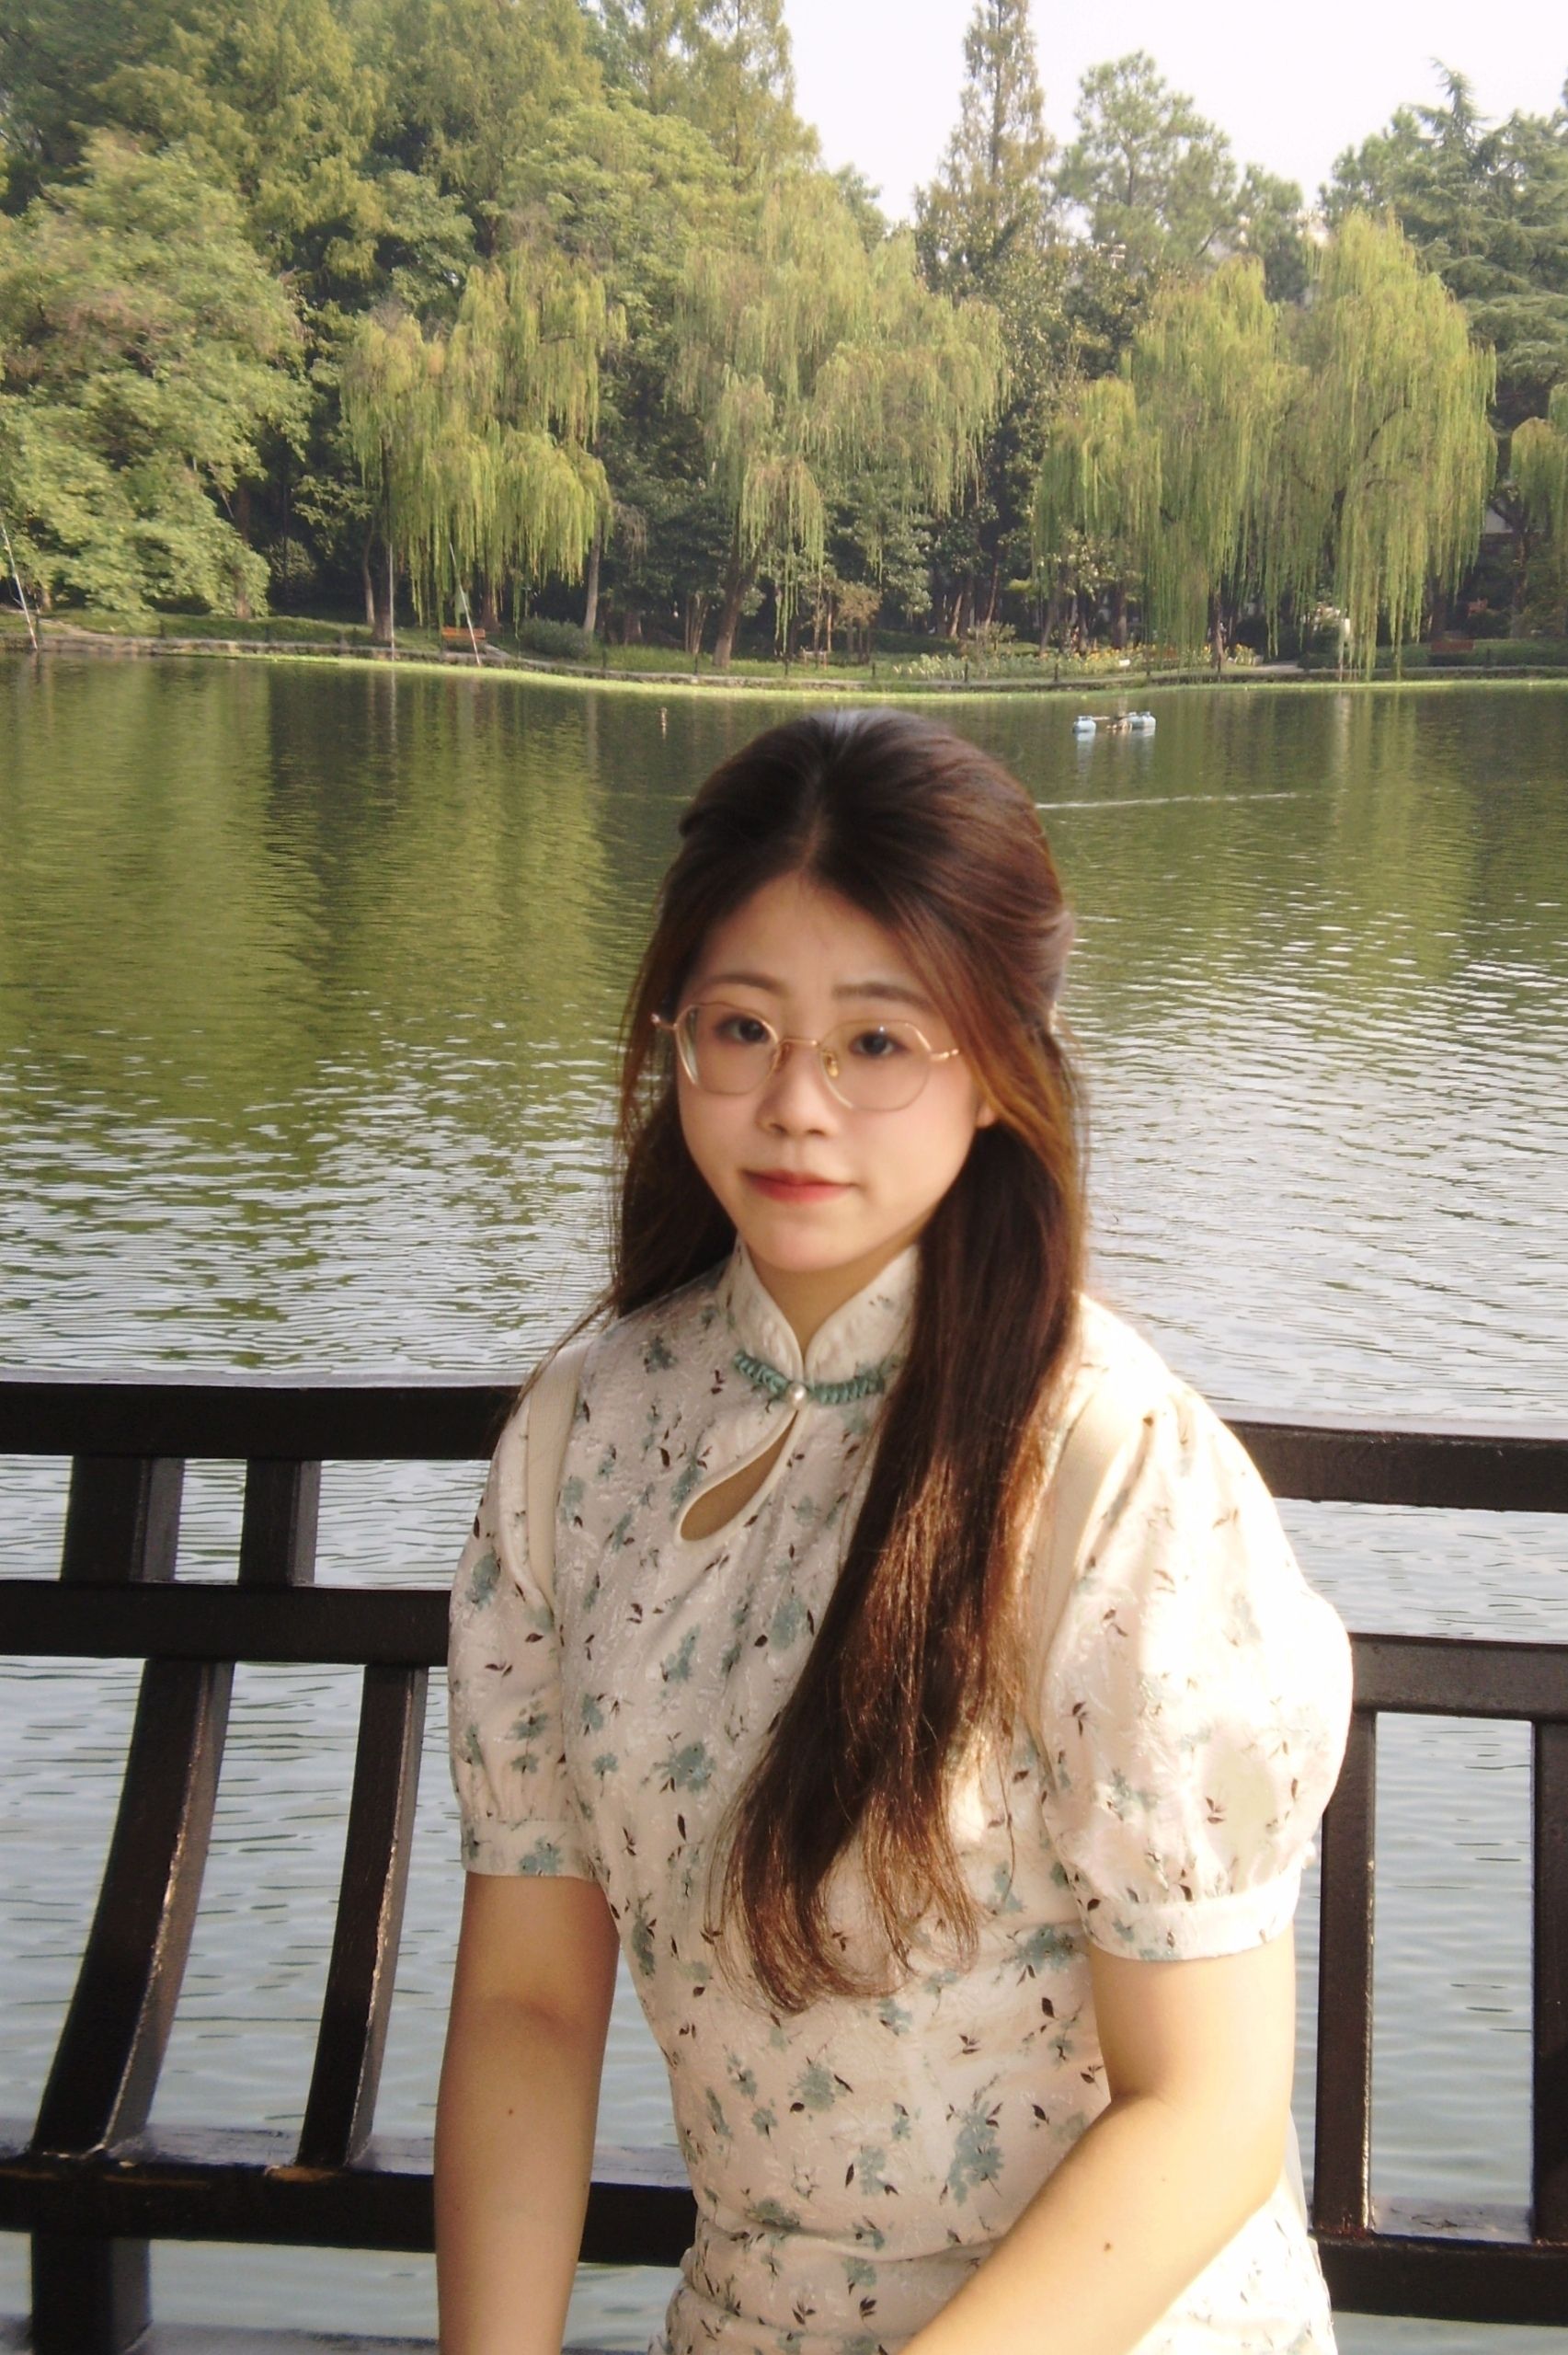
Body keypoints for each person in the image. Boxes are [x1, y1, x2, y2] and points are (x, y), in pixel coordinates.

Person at [437, 708, 1353, 2355]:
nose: (796, 1104)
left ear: (996, 1065)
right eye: (741, 1028)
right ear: (675, 1039)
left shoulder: (1113, 1471)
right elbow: (528, 2002)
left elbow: (1207, 2111)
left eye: (875, 1042)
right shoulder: (581, 1442)